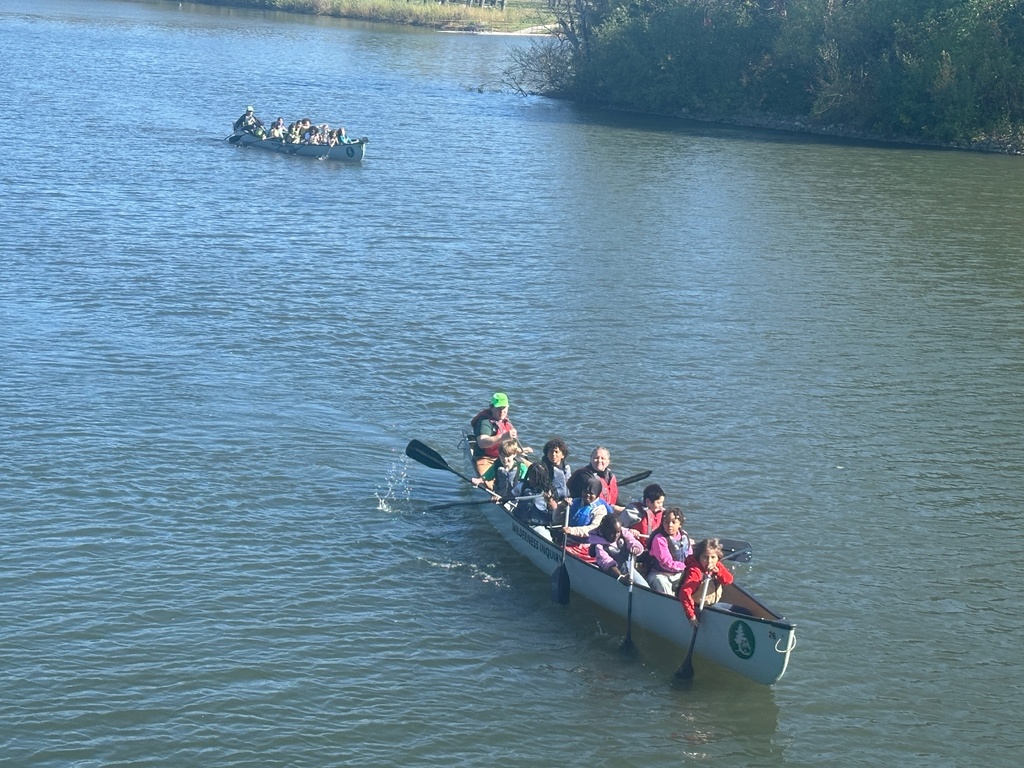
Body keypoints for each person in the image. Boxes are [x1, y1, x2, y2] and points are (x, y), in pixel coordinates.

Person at [470, 392, 530, 479]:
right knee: (489, 481)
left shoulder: (506, 422)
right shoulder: (485, 422)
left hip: (506, 457)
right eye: (498, 408)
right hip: (486, 458)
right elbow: (482, 442)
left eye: (504, 408)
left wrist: (521, 450)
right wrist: (503, 437)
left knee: (535, 469)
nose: (502, 411)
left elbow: (509, 446)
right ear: (491, 408)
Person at [679, 537, 734, 627]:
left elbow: (729, 580)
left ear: (718, 557)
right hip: (699, 607)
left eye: (713, 557)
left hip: (713, 604)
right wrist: (691, 616)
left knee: (744, 611)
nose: (709, 561)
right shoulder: (695, 571)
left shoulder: (718, 566)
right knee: (729, 614)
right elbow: (684, 592)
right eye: (705, 557)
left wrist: (718, 572)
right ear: (699, 557)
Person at [588, 514, 649, 588]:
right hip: (613, 574)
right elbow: (606, 562)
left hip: (629, 570)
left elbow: (632, 541)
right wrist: (620, 577)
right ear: (604, 531)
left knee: (645, 587)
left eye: (618, 532)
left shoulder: (623, 533)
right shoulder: (599, 546)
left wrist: (636, 548)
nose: (615, 536)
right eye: (611, 533)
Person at [645, 507, 693, 595]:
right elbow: (666, 562)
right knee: (662, 583)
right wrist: (685, 567)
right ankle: (669, 601)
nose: (670, 525)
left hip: (680, 573)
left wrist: (692, 567)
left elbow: (690, 556)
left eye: (673, 522)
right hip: (660, 574)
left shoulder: (684, 536)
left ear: (680, 524)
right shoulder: (659, 539)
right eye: (666, 522)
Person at [561, 476, 612, 543]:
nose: (587, 495)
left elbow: (593, 529)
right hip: (566, 538)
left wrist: (572, 530)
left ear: (597, 494)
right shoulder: (574, 502)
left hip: (585, 544)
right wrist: (561, 507)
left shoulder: (600, 509)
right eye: (585, 491)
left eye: (591, 493)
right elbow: (556, 519)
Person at [618, 483, 666, 548]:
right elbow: (618, 528)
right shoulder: (634, 512)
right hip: (634, 546)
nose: (661, 506)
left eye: (662, 502)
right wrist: (629, 531)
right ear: (648, 502)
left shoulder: (662, 512)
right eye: (658, 503)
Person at [540, 437, 571, 520]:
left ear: (563, 455)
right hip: (550, 501)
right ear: (547, 454)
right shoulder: (543, 469)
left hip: (566, 499)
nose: (553, 454)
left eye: (556, 452)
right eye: (551, 451)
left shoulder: (566, 467)